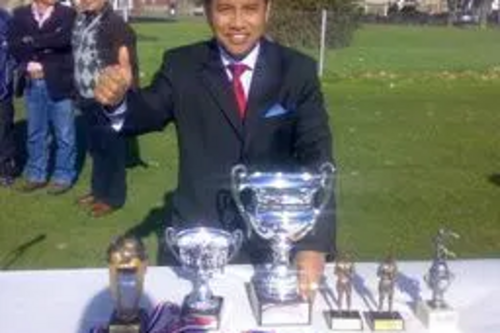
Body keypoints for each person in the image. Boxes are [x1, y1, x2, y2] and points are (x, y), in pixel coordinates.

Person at [94, 0, 335, 296]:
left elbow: (317, 155)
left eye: (249, 9)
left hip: (275, 245)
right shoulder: (181, 65)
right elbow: (145, 113)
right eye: (224, 9)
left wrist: (314, 244)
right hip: (201, 241)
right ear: (208, 13)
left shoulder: (297, 70)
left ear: (267, 11)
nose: (237, 22)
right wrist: (118, 101)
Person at [72, 0, 139, 217]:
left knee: (112, 149)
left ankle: (113, 198)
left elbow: (125, 65)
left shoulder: (116, 24)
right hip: (86, 97)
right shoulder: (82, 19)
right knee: (96, 148)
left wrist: (121, 98)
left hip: (108, 98)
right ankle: (98, 191)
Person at [8, 0, 77, 194]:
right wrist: (46, 43)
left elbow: (63, 40)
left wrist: (31, 41)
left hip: (60, 82)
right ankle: (36, 175)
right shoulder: (19, 14)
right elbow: (14, 45)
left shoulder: (67, 13)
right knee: (36, 132)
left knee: (64, 134)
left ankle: (63, 176)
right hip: (32, 82)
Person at [0, 6, 17, 187]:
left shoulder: (6, 18)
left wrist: (8, 72)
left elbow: (15, 49)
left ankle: (5, 170)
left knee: (4, 129)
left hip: (2, 87)